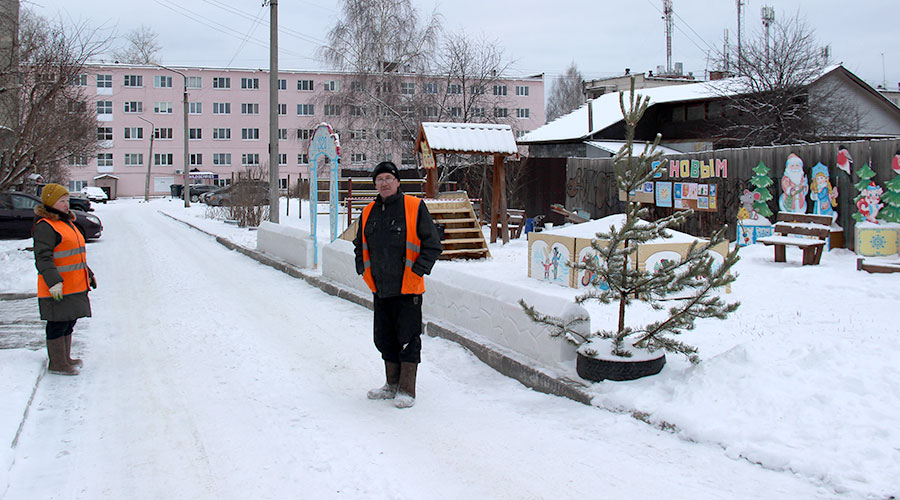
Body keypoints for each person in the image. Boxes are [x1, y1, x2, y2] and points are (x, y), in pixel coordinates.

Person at [353, 162, 442, 409]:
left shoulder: (414, 207)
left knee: (407, 339)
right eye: (379, 179)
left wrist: (418, 271)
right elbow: (359, 244)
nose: (384, 183)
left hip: (408, 289)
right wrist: (362, 268)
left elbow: (432, 245)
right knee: (384, 338)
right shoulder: (368, 211)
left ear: (398, 182)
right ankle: (391, 385)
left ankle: (407, 390)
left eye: (388, 178)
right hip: (380, 288)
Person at [33, 183, 96, 376]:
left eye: (67, 200)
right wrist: (53, 282)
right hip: (57, 286)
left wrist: (88, 273)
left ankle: (65, 358)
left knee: (69, 321)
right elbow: (43, 257)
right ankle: (57, 363)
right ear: (51, 202)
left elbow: (74, 255)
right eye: (62, 201)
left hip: (74, 284)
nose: (66, 204)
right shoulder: (46, 226)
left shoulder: (65, 222)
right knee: (57, 322)